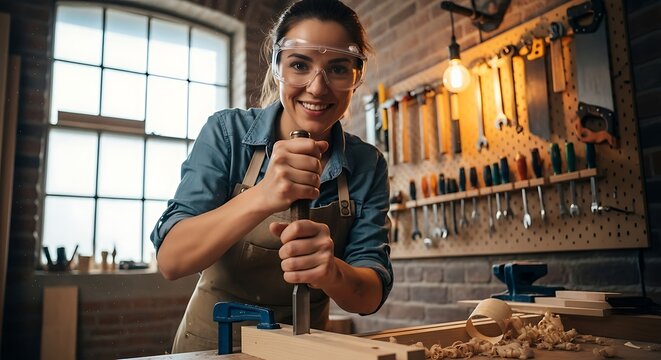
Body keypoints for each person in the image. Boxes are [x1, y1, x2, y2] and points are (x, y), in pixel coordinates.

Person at [151, 0, 393, 353]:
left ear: (356, 78)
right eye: (299, 65)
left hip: (303, 350)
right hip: (211, 345)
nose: (317, 87)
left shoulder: (367, 164)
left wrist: (331, 272)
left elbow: (369, 296)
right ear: (277, 67)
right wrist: (262, 195)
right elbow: (172, 260)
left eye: (338, 69)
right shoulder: (227, 134)